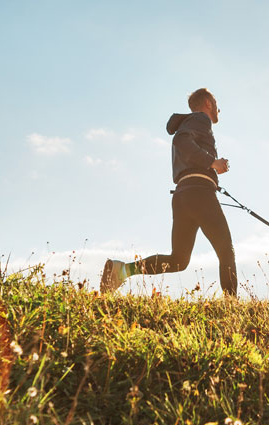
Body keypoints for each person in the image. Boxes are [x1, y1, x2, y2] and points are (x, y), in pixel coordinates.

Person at [99, 88, 238, 296]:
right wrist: (212, 162)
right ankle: (232, 307)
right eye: (216, 103)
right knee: (226, 250)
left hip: (183, 195)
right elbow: (181, 141)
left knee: (179, 260)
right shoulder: (201, 119)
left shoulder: (190, 123)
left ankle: (122, 270)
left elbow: (184, 145)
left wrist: (212, 168)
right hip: (199, 193)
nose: (219, 109)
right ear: (208, 103)